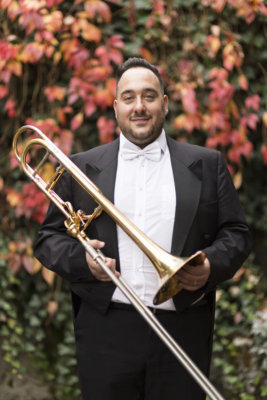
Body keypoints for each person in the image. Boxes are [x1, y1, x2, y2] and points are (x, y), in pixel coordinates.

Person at [34, 57, 252, 400]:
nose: (140, 106)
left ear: (164, 103)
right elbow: (48, 239)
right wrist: (84, 261)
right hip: (107, 331)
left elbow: (237, 233)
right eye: (130, 97)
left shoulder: (208, 164)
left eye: (149, 96)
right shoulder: (81, 167)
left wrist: (209, 264)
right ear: (116, 106)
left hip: (183, 327)